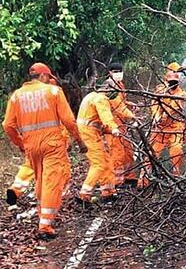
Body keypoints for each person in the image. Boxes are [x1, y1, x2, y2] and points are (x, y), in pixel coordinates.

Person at [3, 63, 87, 238]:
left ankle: (42, 212)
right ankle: (45, 226)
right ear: (42, 76)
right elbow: (69, 120)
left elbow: (8, 125)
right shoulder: (54, 92)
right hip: (52, 145)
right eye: (49, 78)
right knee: (53, 181)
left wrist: (20, 143)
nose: (49, 81)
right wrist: (79, 140)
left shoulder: (16, 96)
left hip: (31, 146)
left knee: (41, 179)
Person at [138, 63, 186, 186]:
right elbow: (155, 104)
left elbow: (173, 109)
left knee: (176, 151)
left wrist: (162, 117)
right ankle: (143, 180)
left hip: (175, 127)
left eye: (175, 81)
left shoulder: (181, 94)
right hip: (159, 129)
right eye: (170, 80)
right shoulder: (160, 89)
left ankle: (177, 179)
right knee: (151, 153)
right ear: (166, 79)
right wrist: (155, 116)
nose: (173, 83)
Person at [77, 81, 122, 203]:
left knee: (106, 161)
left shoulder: (91, 95)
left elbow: (94, 121)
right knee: (98, 164)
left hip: (90, 132)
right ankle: (84, 195)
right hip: (88, 134)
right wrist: (114, 127)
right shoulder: (101, 99)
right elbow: (105, 116)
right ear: (107, 88)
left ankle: (108, 192)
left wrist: (109, 130)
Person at [104, 62, 137, 187]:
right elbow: (117, 106)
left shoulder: (120, 84)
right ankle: (117, 181)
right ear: (109, 72)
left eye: (119, 71)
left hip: (122, 123)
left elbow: (122, 102)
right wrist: (132, 116)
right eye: (115, 71)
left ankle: (129, 176)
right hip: (112, 124)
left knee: (128, 150)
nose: (118, 74)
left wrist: (130, 104)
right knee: (117, 152)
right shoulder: (109, 86)